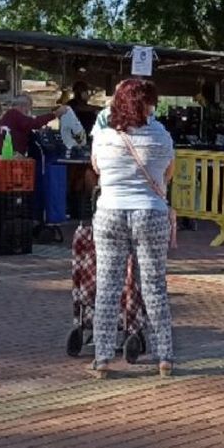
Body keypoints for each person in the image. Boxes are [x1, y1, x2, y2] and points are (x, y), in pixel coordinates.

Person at [89, 79, 176, 379]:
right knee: (154, 286)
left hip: (110, 211)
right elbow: (168, 172)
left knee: (107, 287)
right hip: (151, 213)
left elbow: (97, 168)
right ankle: (165, 356)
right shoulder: (161, 135)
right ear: (147, 104)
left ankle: (102, 358)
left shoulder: (104, 136)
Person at [0, 94, 70, 156]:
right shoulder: (15, 114)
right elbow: (33, 123)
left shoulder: (9, 115)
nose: (29, 111)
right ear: (24, 106)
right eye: (30, 108)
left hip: (3, 153)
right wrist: (55, 114)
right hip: (7, 155)